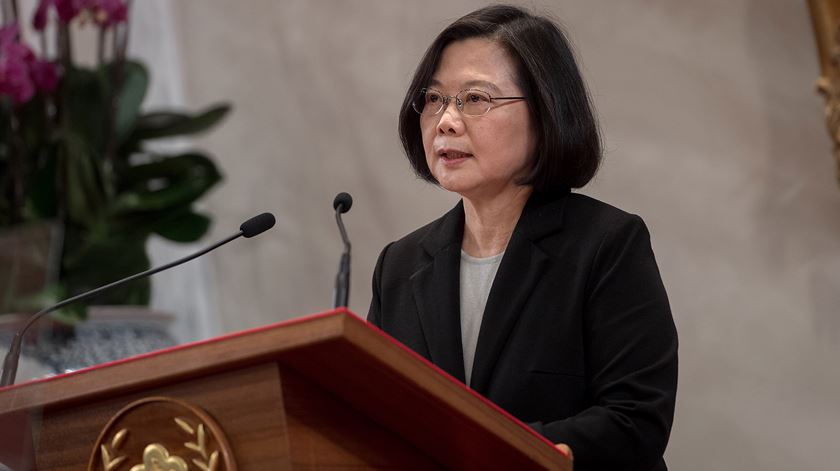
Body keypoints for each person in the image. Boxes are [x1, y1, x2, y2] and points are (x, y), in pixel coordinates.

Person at [367, 5, 678, 470]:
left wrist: (493, 452)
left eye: (475, 98)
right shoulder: (400, 265)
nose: (446, 120)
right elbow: (373, 418)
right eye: (434, 99)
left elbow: (635, 420)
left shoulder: (606, 245)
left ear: (546, 109)